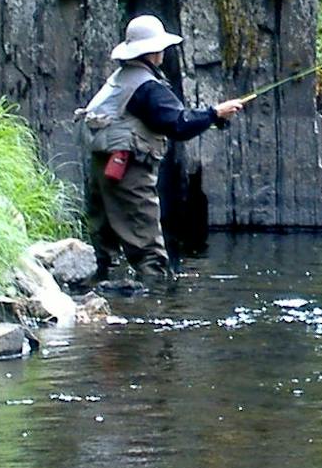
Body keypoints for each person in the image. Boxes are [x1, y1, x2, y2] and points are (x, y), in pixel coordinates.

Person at [80, 14, 245, 290]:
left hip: (104, 165)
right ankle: (153, 304)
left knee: (104, 234)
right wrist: (215, 113)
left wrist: (213, 116)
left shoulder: (120, 78)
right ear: (153, 52)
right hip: (129, 170)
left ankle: (100, 292)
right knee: (146, 244)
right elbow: (178, 125)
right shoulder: (147, 87)